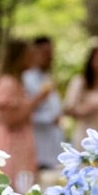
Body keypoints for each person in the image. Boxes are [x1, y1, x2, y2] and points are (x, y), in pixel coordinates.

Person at [0, 39, 54, 192]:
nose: (33, 58)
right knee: (11, 191)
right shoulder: (7, 83)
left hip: (20, 145)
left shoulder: (18, 81)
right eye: (29, 54)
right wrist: (37, 100)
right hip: (10, 146)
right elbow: (8, 116)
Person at [22, 36, 63, 172]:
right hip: (38, 148)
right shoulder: (26, 79)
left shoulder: (47, 77)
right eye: (45, 53)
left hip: (54, 147)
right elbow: (24, 113)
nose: (50, 57)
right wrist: (50, 119)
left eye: (51, 52)